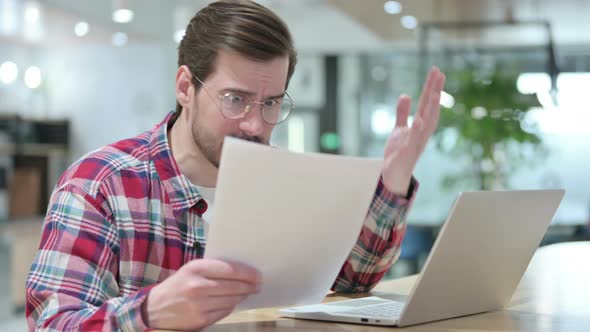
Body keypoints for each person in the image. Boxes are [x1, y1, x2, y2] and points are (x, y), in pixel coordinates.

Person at [25, 0, 445, 331]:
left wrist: (393, 179)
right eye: (235, 99)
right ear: (186, 87)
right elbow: (53, 324)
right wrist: (151, 311)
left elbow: (352, 282)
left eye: (272, 102)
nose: (255, 124)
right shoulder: (101, 183)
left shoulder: (285, 180)